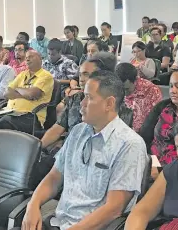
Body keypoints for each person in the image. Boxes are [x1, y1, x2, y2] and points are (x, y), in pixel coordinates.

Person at [19, 70, 148, 230]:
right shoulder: (78, 131)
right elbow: (54, 177)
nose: (82, 103)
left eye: (89, 97)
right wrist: (33, 205)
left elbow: (114, 209)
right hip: (58, 221)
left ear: (109, 103)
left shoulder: (129, 144)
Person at [0, 51, 54, 133]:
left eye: (31, 56)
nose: (27, 59)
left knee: (5, 121)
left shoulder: (46, 76)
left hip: (31, 116)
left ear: (40, 59)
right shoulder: (22, 74)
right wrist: (25, 93)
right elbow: (6, 93)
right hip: (10, 111)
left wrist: (16, 89)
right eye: (26, 57)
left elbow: (32, 94)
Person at [115, 63, 162, 133]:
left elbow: (154, 120)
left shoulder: (151, 91)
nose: (124, 94)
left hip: (142, 134)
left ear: (135, 80)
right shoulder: (114, 88)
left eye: (126, 89)